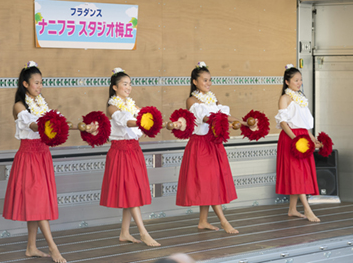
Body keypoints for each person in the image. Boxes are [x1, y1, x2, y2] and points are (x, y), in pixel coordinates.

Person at [176, 62, 254, 234]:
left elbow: (223, 115)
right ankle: (224, 221)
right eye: (204, 80)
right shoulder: (192, 100)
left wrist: (242, 123)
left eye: (210, 80)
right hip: (200, 145)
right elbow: (205, 118)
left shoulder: (212, 98)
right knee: (208, 182)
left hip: (214, 144)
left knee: (211, 182)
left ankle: (203, 221)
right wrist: (221, 121)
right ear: (195, 82)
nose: (208, 83)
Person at [2, 61, 67, 263]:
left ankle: (31, 247)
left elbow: (52, 124)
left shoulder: (42, 104)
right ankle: (53, 247)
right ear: (25, 84)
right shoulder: (19, 105)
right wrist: (51, 123)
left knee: (36, 202)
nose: (39, 87)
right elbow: (33, 125)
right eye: (36, 83)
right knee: (37, 201)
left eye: (41, 83)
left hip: (43, 156)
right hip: (29, 157)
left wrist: (79, 128)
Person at [99, 67, 161, 247]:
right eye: (125, 84)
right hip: (121, 152)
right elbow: (126, 121)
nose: (128, 87)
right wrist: (144, 122)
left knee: (130, 192)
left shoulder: (132, 105)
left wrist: (161, 122)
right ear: (115, 87)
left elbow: (144, 116)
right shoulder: (112, 106)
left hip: (134, 150)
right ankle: (143, 232)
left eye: (130, 84)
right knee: (131, 191)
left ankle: (124, 232)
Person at [275, 65, 321, 222]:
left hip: (302, 137)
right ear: (287, 82)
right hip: (291, 138)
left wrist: (312, 138)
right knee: (297, 173)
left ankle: (292, 209)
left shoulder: (301, 98)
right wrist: (296, 139)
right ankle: (307, 209)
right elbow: (283, 122)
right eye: (296, 80)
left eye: (301, 79)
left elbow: (304, 123)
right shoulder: (285, 98)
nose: (299, 82)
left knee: (300, 173)